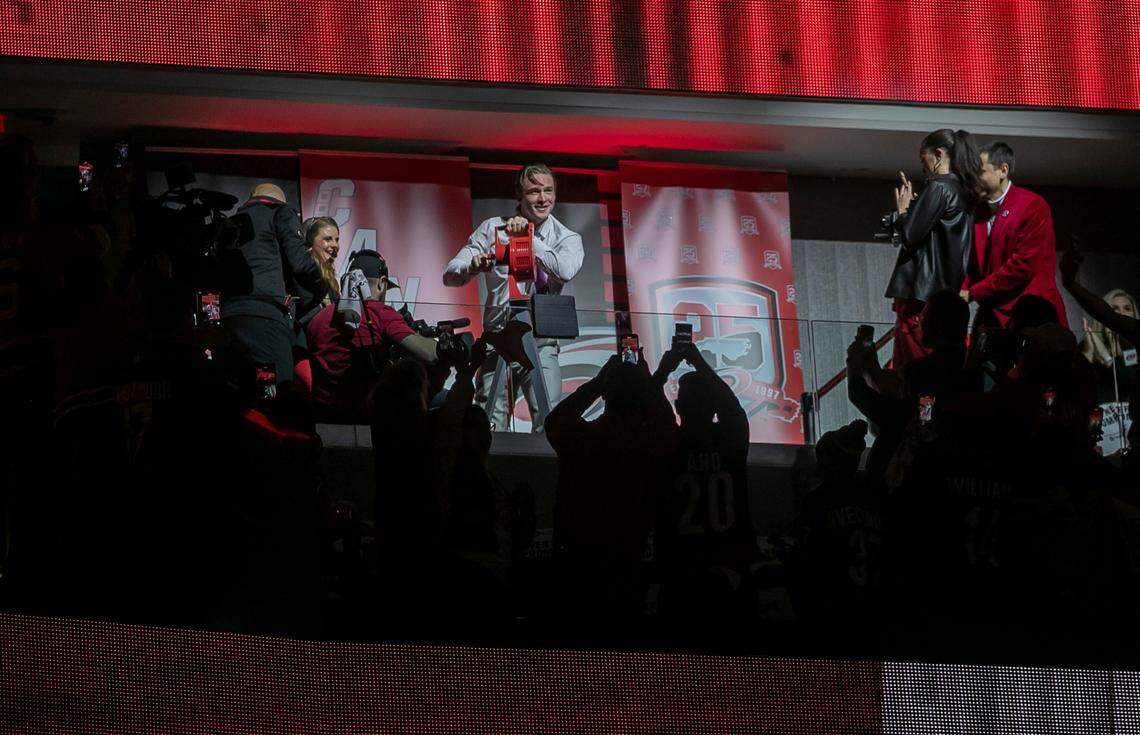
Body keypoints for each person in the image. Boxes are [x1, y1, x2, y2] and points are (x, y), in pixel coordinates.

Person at [444, 163, 584, 431]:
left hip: (541, 342)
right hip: (497, 339)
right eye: (534, 192)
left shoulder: (566, 237)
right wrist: (471, 267)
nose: (543, 199)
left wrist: (527, 238)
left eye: (548, 190)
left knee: (550, 422)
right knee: (489, 425)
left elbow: (564, 271)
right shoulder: (493, 229)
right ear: (519, 196)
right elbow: (450, 276)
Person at [546, 353, 678, 617]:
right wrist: (654, 381)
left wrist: (597, 383)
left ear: (607, 394)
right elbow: (668, 429)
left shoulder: (583, 441)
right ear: (642, 401)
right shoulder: (647, 448)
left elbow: (555, 421)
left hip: (577, 566)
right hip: (626, 567)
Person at [652, 342, 758, 620]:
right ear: (713, 407)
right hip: (730, 565)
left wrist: (663, 370)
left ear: (678, 405)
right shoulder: (730, 440)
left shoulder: (669, 444)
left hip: (681, 568)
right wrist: (698, 361)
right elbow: (731, 406)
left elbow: (643, 410)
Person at [884, 129, 985, 368]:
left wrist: (903, 212)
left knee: (913, 370)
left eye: (924, 158)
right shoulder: (962, 191)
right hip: (942, 297)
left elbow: (910, 234)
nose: (923, 166)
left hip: (920, 297)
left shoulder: (939, 187)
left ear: (939, 154)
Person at [304, 249, 440, 417]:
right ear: (382, 282)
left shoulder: (318, 319)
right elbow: (430, 354)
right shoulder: (379, 312)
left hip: (323, 415)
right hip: (368, 415)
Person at [218, 183, 327, 387]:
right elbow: (301, 264)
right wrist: (322, 288)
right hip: (265, 319)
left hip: (229, 319)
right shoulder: (280, 211)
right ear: (279, 201)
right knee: (275, 390)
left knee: (238, 389)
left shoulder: (230, 224)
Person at [962, 141, 1067, 328]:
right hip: (992, 316)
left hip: (1031, 317)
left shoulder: (1032, 206)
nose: (974, 179)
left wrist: (972, 293)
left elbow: (1022, 266)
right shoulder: (977, 213)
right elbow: (972, 265)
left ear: (1003, 170)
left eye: (980, 172)